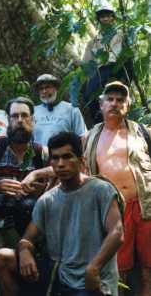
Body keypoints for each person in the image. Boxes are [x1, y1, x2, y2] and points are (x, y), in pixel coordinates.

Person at [22, 81, 151, 295]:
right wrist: (36, 173)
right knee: (119, 271)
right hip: (114, 209)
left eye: (120, 100)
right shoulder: (89, 137)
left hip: (146, 206)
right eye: (110, 99)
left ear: (127, 105)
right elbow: (67, 165)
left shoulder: (141, 132)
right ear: (101, 105)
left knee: (148, 271)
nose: (115, 104)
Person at [0, 132, 124, 296]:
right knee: (3, 258)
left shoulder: (101, 190)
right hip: (59, 277)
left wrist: (94, 267)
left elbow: (117, 233)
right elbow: (27, 238)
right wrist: (24, 251)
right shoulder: (47, 200)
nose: (61, 164)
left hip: (95, 281)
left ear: (81, 161)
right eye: (55, 158)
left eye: (67, 157)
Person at [0, 97, 47, 256]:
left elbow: (62, 183)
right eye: (15, 116)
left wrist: (43, 190)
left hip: (33, 231)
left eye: (25, 116)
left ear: (32, 119)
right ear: (8, 120)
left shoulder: (41, 153)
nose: (20, 120)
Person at [81, 4, 131, 124]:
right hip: (101, 71)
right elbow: (86, 62)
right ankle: (98, 122)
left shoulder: (121, 35)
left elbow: (128, 56)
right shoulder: (93, 41)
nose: (105, 19)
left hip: (118, 68)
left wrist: (126, 79)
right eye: (102, 17)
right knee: (89, 94)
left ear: (113, 18)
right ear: (99, 19)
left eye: (108, 16)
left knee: (119, 96)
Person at [32, 74, 86, 145]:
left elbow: (82, 136)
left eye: (47, 87)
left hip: (65, 155)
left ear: (56, 88)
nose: (44, 91)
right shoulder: (33, 111)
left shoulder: (72, 109)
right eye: (41, 89)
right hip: (39, 155)